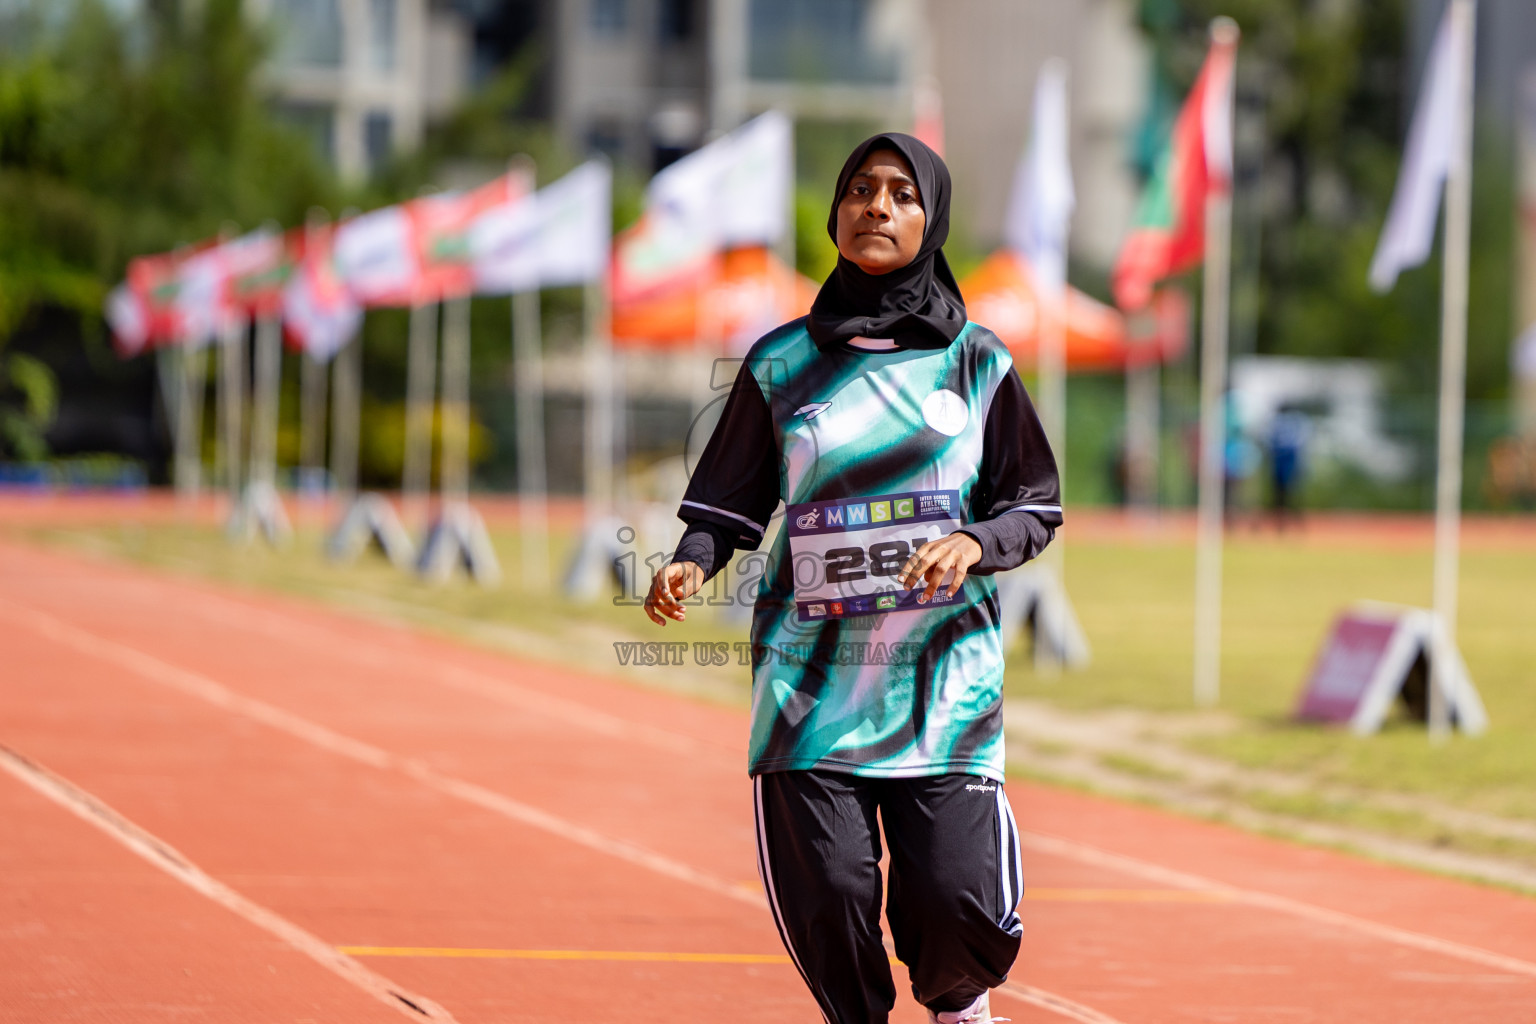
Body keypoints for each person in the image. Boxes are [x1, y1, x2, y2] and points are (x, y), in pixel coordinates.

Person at [643, 133, 1061, 1024]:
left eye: (902, 194)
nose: (877, 206)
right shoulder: (781, 363)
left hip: (942, 689)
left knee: (956, 911)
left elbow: (1035, 505)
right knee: (829, 894)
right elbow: (725, 508)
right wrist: (687, 566)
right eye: (860, 190)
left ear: (932, 219)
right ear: (836, 213)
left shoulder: (979, 363)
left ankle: (960, 1006)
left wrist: (974, 544)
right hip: (811, 690)